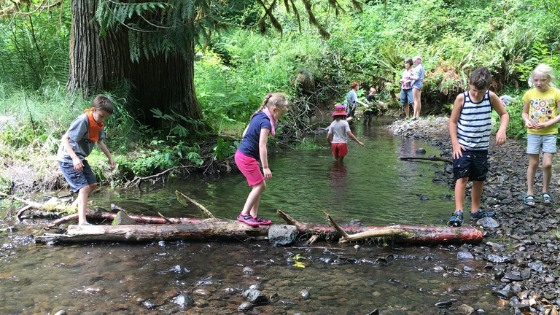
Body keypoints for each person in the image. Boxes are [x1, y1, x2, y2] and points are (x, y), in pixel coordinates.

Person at [448, 66, 509, 227]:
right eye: (474, 90)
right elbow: (453, 122)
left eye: (480, 92)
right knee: (462, 177)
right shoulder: (462, 98)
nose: (476, 94)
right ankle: (458, 211)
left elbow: (504, 114)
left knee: (479, 179)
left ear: (488, 88)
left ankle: (475, 210)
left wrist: (502, 129)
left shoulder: (490, 97)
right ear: (469, 84)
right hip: (463, 146)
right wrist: (455, 143)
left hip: (481, 147)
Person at [57, 95, 116, 225]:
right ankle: (82, 222)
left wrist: (110, 157)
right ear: (93, 110)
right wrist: (74, 158)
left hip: (80, 157)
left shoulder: (98, 124)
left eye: (105, 117)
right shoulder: (83, 121)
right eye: (101, 115)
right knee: (83, 188)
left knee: (92, 184)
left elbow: (99, 141)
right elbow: (65, 139)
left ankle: (74, 206)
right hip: (68, 158)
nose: (103, 119)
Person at [235, 93, 289, 226]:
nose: (280, 118)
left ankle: (253, 216)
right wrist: (265, 167)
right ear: (274, 110)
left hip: (242, 155)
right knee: (261, 185)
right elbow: (262, 145)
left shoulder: (257, 115)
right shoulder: (265, 122)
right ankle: (244, 214)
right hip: (247, 157)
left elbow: (244, 134)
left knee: (257, 186)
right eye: (281, 115)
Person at [521, 64, 560, 208]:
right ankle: (530, 192)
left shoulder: (556, 93)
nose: (539, 83)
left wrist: (546, 124)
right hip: (533, 133)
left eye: (542, 80)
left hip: (550, 133)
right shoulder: (529, 94)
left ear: (549, 79)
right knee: (534, 163)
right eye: (536, 80)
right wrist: (527, 121)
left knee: (547, 163)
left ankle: (545, 190)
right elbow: (525, 113)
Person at [409, 55, 425, 120]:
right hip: (420, 84)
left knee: (415, 101)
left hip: (416, 85)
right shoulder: (422, 67)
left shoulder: (418, 68)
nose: (414, 63)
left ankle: (414, 116)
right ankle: (418, 115)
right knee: (418, 100)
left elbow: (417, 78)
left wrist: (411, 77)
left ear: (418, 61)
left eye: (415, 62)